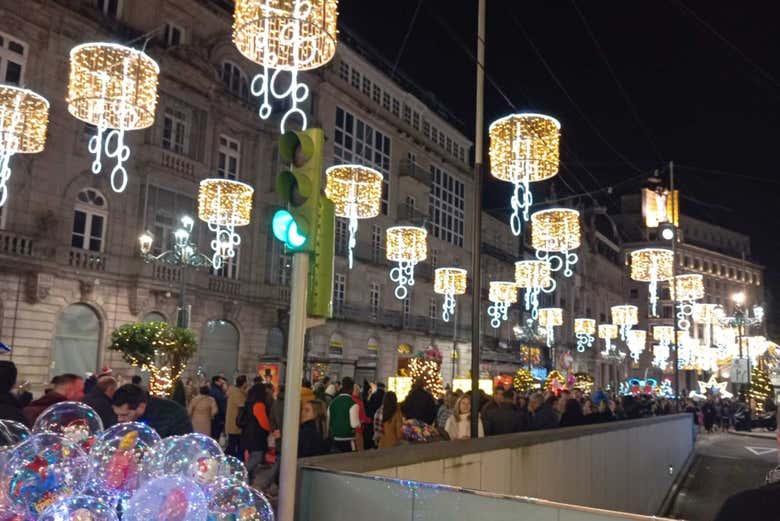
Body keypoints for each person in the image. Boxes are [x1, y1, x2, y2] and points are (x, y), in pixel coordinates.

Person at [112, 384, 192, 437]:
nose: (119, 419)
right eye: (117, 415)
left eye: (124, 415)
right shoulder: (128, 417)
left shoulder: (173, 414)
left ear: (141, 407)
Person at [240, 383, 271, 482]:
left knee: (251, 457)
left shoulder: (248, 402)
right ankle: (241, 474)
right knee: (256, 457)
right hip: (257, 436)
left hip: (247, 434)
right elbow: (263, 423)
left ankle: (248, 482)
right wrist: (270, 429)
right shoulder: (259, 404)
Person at [328, 377, 360, 452]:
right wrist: (360, 424)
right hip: (348, 440)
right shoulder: (353, 403)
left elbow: (328, 420)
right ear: (352, 389)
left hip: (334, 439)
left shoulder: (333, 402)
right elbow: (354, 424)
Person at [225, 375, 247, 457]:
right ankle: (235, 463)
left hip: (231, 423)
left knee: (232, 444)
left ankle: (231, 460)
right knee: (236, 446)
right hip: (237, 424)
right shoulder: (238, 394)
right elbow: (243, 408)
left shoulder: (232, 391)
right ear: (244, 383)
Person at [364, 382, 385, 449]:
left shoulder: (373, 395)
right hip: (382, 416)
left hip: (373, 416)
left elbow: (369, 406)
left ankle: (373, 443)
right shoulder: (385, 395)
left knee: (373, 432)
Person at [209, 376, 228, 441]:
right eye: (220, 381)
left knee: (216, 433)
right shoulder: (215, 390)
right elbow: (221, 401)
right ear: (216, 382)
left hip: (218, 415)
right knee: (216, 433)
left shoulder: (216, 389)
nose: (221, 382)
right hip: (217, 415)